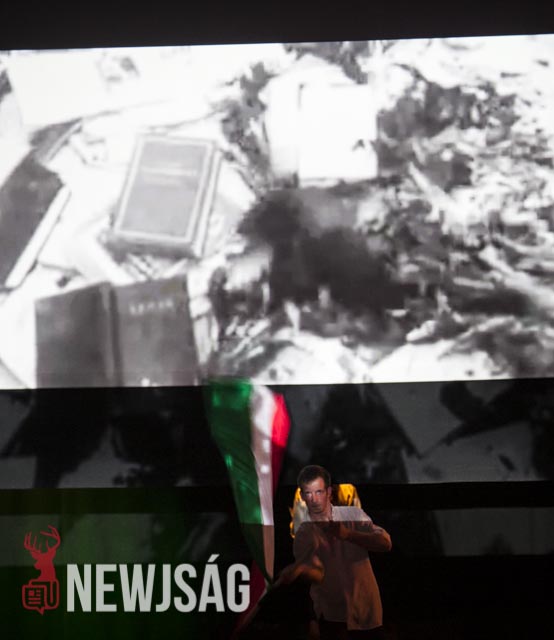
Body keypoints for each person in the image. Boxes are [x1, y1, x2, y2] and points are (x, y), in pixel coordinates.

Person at [275, 465, 392, 639]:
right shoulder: (304, 533)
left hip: (366, 611)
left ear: (329, 492)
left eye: (319, 492)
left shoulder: (353, 515)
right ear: (303, 496)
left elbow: (385, 543)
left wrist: (348, 534)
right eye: (309, 493)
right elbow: (317, 574)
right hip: (332, 616)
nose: (314, 499)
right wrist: (300, 570)